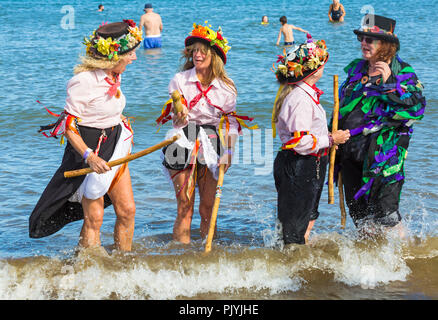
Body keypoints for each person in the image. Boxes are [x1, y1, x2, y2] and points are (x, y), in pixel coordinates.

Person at [29, 20, 143, 252]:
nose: (134, 58)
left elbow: (105, 109)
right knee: (95, 217)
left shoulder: (114, 75)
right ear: (114, 56)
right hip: (89, 149)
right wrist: (89, 156)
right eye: (130, 53)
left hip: (115, 144)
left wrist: (119, 122)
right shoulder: (83, 81)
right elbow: (69, 127)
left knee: (128, 210)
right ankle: (89, 268)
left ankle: (124, 265)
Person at [156, 22, 257, 244]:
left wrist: (229, 151)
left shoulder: (227, 88)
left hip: (212, 138)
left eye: (203, 51)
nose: (198, 55)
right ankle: (181, 258)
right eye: (195, 51)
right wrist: (179, 115)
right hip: (183, 137)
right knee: (184, 206)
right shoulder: (179, 80)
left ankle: (207, 256)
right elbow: (176, 116)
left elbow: (231, 123)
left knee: (208, 208)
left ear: (214, 56)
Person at [335, 14, 426, 236]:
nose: (363, 43)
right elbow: (344, 107)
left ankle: (406, 261)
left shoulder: (402, 72)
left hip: (384, 158)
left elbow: (417, 109)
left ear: (386, 44)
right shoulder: (357, 69)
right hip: (350, 154)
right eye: (362, 38)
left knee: (386, 216)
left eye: (370, 39)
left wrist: (390, 86)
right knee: (360, 215)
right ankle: (370, 263)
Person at [272, 35, 350, 245]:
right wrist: (333, 138)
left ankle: (299, 266)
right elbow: (301, 142)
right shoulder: (300, 99)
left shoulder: (304, 95)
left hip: (307, 164)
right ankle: (290, 269)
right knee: (293, 231)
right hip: (299, 164)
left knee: (306, 217)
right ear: (315, 70)